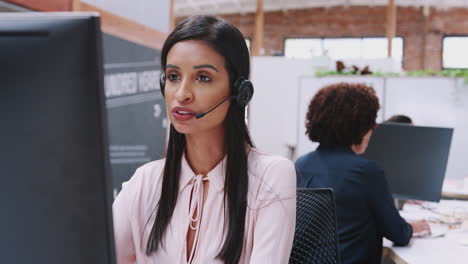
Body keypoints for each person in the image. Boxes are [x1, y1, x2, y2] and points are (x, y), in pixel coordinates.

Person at [112, 15, 296, 264]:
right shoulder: (145, 182)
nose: (182, 94)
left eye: (203, 78)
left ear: (239, 92)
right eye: (174, 76)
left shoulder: (269, 176)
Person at [295, 83, 430, 264]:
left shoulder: (300, 165)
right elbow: (398, 233)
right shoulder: (365, 172)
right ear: (360, 127)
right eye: (370, 125)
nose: (372, 131)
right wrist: (412, 227)